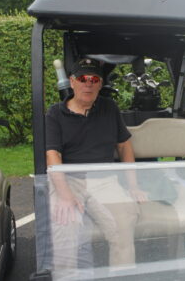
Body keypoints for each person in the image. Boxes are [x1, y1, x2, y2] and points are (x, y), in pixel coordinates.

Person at [45, 58, 147, 274]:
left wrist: (133, 186)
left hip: (104, 180)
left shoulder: (109, 108)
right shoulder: (55, 113)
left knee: (124, 224)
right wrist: (64, 195)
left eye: (94, 79)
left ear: (100, 84)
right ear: (72, 82)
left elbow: (124, 146)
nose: (88, 84)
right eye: (83, 79)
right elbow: (52, 154)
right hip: (69, 179)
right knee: (64, 228)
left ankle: (122, 277)